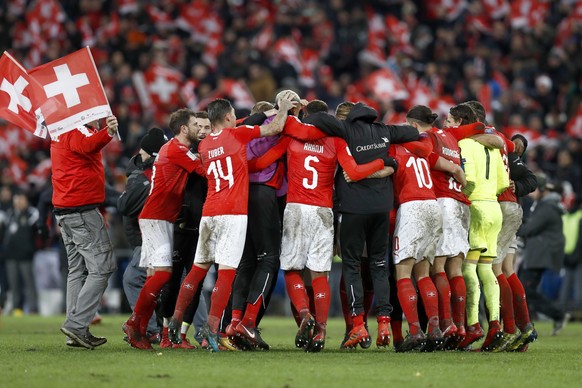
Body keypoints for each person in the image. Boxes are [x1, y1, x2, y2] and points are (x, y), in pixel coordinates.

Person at [247, 103, 389, 352]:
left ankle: (304, 314)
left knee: (292, 270)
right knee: (320, 274)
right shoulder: (337, 141)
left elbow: (262, 163)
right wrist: (381, 162)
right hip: (324, 211)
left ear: (306, 117)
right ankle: (321, 331)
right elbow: (354, 172)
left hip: (296, 208)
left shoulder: (291, 137)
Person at [167, 97, 293, 352]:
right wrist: (284, 108)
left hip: (209, 211)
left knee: (197, 269)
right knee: (226, 272)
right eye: (234, 114)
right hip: (232, 213)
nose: (236, 117)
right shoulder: (237, 134)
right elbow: (275, 128)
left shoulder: (203, 146)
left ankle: (175, 322)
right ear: (227, 117)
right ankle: (212, 329)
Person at [301, 102, 419, 348]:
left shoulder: (346, 130)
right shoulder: (384, 130)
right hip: (381, 210)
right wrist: (389, 162)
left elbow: (319, 119)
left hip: (354, 209)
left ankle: (358, 326)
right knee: (379, 266)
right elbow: (412, 132)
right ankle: (384, 322)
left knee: (352, 266)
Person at [123, 108, 206, 350]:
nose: (199, 130)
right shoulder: (177, 149)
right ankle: (133, 323)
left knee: (153, 277)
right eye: (195, 125)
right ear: (184, 128)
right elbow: (204, 171)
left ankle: (140, 330)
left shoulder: (172, 150)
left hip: (158, 217)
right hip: (157, 217)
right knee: (162, 275)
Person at [464, 101, 539, 351]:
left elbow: (529, 178)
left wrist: (518, 186)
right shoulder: (500, 139)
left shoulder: (482, 139)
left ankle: (506, 329)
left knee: (491, 271)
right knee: (506, 269)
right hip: (509, 209)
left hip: (497, 207)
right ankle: (522, 329)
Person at [53, 116, 119, 349]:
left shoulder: (61, 128)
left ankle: (76, 331)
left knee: (77, 270)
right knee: (102, 267)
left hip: (67, 211)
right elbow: (87, 144)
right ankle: (77, 324)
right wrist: (108, 131)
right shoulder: (75, 127)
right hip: (82, 212)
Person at [447, 104, 510, 351]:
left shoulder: (465, 145)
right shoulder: (492, 147)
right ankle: (495, 324)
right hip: (494, 208)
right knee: (487, 270)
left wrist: (467, 198)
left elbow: (468, 180)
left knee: (468, 269)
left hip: (476, 208)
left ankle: (473, 325)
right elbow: (503, 182)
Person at [157, 111, 210, 350]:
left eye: (207, 127)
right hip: (178, 227)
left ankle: (184, 333)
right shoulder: (182, 153)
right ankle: (165, 332)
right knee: (172, 281)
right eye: (198, 125)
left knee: (195, 283)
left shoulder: (210, 155)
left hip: (201, 228)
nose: (202, 130)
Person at [118, 127, 168, 344]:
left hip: (151, 235)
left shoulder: (146, 176)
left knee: (133, 279)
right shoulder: (141, 173)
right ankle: (155, 329)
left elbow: (124, 205)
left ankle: (149, 328)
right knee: (163, 282)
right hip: (149, 234)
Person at [518, 176, 570, 336]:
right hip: (539, 254)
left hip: (540, 255)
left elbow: (529, 229)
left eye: (534, 190)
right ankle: (551, 316)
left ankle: (557, 314)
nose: (531, 194)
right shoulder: (547, 206)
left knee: (525, 290)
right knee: (526, 289)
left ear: (543, 190)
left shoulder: (547, 208)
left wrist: (511, 223)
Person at [3, 191, 39, 315]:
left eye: (21, 199)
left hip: (25, 254)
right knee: (14, 283)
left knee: (29, 283)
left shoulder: (32, 213)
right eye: (17, 200)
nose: (19, 202)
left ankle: (34, 308)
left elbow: (32, 228)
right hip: (10, 254)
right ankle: (17, 308)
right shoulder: (10, 214)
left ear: (26, 200)